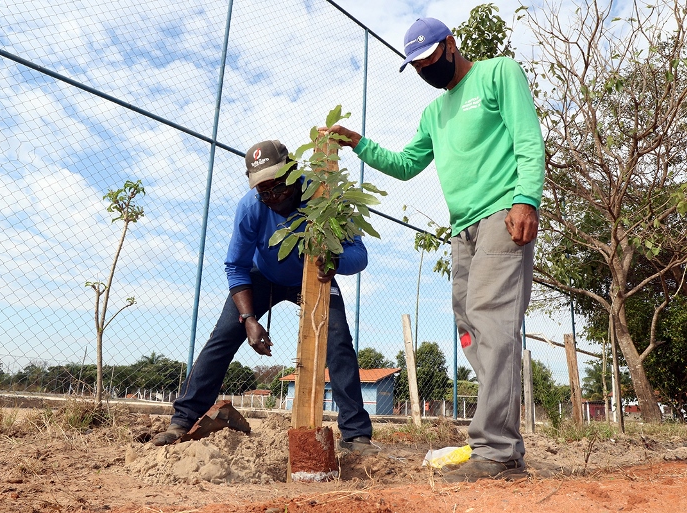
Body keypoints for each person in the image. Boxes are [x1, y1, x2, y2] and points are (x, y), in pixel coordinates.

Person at [327, 18, 545, 482]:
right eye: (416, 66)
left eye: (428, 60)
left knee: (493, 319)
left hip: (502, 214)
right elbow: (407, 165)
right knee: (471, 328)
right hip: (462, 228)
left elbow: (527, 137)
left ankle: (498, 449)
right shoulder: (433, 114)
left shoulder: (497, 73)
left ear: (450, 45)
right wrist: (360, 144)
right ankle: (500, 444)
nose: (425, 70)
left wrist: (527, 198)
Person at [152, 139, 377, 456]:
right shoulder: (250, 208)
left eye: (279, 186)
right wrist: (248, 319)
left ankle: (355, 435)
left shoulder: (325, 197)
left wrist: (335, 261)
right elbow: (236, 265)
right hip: (262, 276)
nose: (273, 196)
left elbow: (359, 255)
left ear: (293, 171)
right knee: (223, 336)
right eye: (264, 190)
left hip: (313, 275)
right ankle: (181, 421)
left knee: (337, 340)